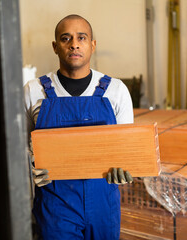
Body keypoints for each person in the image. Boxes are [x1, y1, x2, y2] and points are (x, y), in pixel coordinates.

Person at [24, 14, 134, 240]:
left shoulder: (116, 91)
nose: (74, 44)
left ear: (92, 45)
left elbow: (127, 149)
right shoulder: (34, 92)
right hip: (55, 203)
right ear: (55, 47)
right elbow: (18, 150)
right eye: (66, 38)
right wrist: (30, 169)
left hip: (103, 202)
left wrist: (125, 170)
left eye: (81, 38)